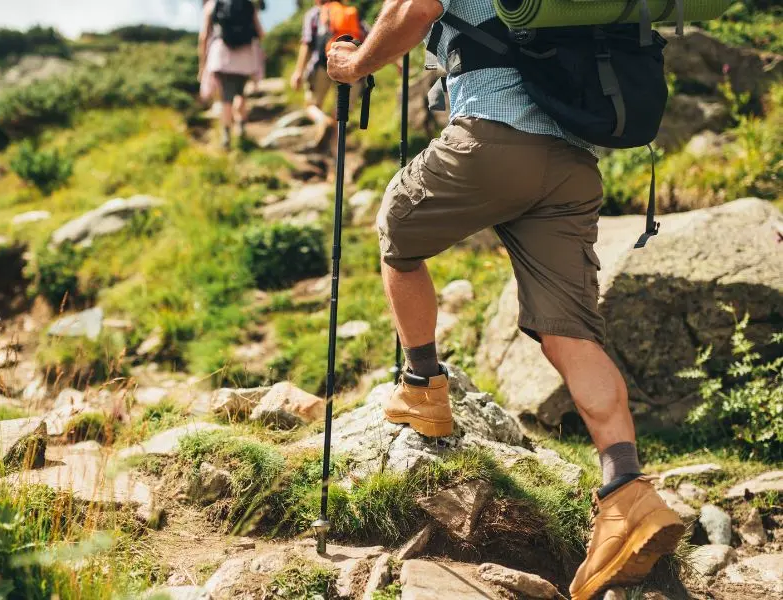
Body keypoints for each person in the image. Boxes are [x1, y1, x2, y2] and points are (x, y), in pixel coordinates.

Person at [325, 1, 685, 599]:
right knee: (571, 332)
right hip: (571, 167)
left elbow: (413, 7)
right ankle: (627, 490)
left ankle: (422, 389)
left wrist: (357, 63)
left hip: (492, 139)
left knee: (397, 231)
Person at [289, 0, 368, 150]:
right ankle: (334, 156)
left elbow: (307, 42)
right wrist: (397, 62)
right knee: (340, 116)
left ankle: (322, 121)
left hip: (321, 63)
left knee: (311, 105)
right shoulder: (351, 12)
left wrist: (298, 71)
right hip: (349, 64)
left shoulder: (315, 14)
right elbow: (370, 38)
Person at [199, 0, 265, 148]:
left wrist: (202, 64)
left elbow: (204, 36)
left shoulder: (212, 5)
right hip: (245, 57)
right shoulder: (248, 4)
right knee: (240, 93)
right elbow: (260, 33)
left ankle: (226, 136)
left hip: (222, 56)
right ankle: (241, 127)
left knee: (226, 98)